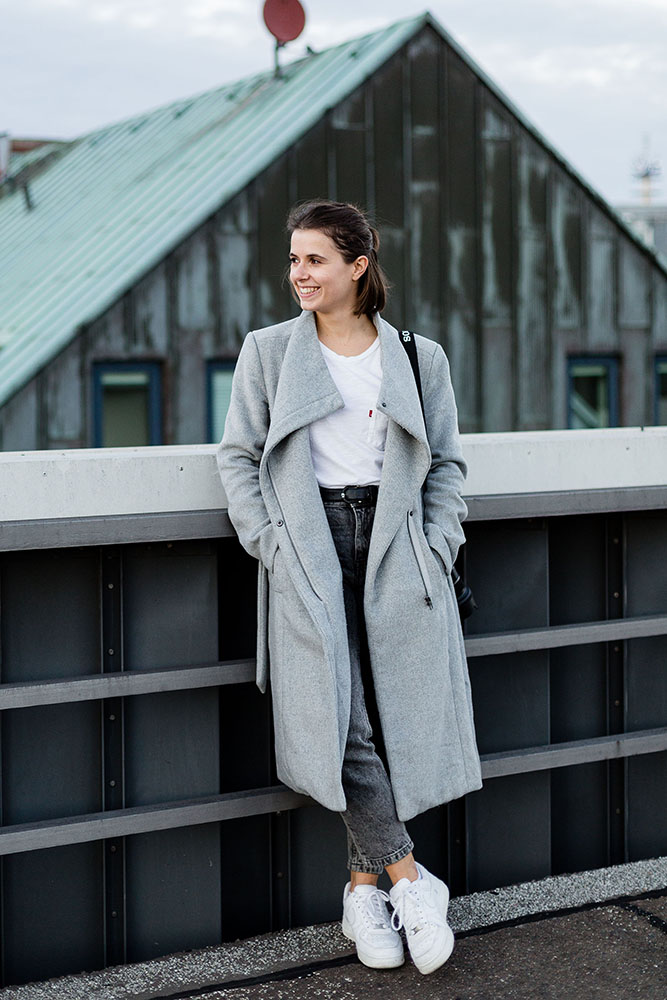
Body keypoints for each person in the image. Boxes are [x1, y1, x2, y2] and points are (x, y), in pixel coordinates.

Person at [217, 199, 482, 976]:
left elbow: (447, 466)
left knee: (382, 708)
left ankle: (362, 891)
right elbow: (237, 457)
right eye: (293, 260)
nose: (297, 274)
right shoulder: (267, 352)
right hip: (308, 540)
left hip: (396, 542)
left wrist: (436, 545)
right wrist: (270, 543)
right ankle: (409, 876)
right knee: (344, 711)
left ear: (357, 266)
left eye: (313, 260)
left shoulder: (416, 355)